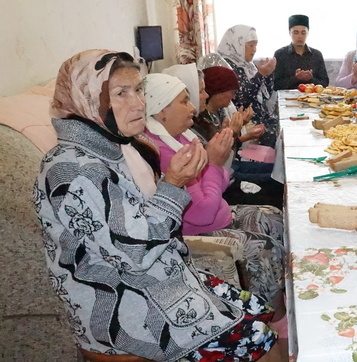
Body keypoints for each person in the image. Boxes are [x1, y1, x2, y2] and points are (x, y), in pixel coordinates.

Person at [34, 50, 277, 360]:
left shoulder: (113, 148)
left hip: (159, 280)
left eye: (138, 90)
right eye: (120, 94)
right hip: (124, 307)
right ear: (87, 100)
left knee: (257, 311)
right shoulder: (73, 171)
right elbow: (135, 253)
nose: (139, 103)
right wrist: (173, 184)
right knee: (259, 339)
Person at [143, 73, 286, 307]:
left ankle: (282, 291)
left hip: (219, 212)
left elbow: (221, 183)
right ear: (161, 110)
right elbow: (203, 212)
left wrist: (216, 165)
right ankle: (273, 313)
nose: (192, 107)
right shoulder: (166, 153)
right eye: (184, 101)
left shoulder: (181, 138)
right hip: (201, 230)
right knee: (265, 247)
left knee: (276, 219)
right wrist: (214, 164)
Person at [218, 24, 279, 148]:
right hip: (246, 122)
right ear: (238, 44)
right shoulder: (226, 67)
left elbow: (265, 95)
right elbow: (241, 100)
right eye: (251, 45)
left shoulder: (248, 65)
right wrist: (260, 75)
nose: (255, 49)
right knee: (278, 136)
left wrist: (268, 74)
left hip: (260, 117)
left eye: (256, 45)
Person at [273, 14, 329, 90]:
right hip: (286, 97)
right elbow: (275, 85)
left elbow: (325, 83)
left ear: (307, 33)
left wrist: (310, 79)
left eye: (303, 33)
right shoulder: (280, 54)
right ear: (290, 33)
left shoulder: (316, 55)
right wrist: (296, 78)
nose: (300, 36)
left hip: (311, 97)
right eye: (296, 32)